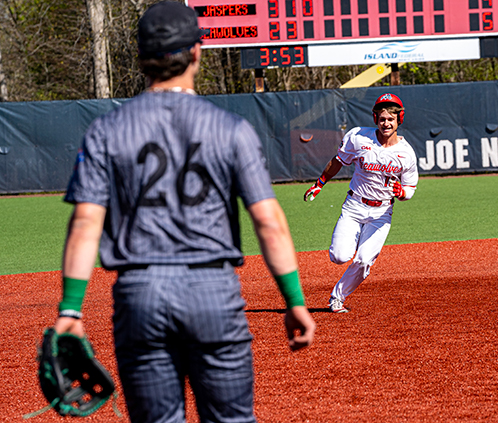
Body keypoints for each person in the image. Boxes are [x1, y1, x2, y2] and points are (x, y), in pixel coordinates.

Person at [52, 2, 315, 422]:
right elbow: (268, 221)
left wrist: (70, 308)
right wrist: (294, 300)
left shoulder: (106, 131)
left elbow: (86, 222)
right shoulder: (231, 129)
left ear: (141, 59)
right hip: (212, 292)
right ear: (197, 52)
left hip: (140, 295)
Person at [304, 93, 418, 313]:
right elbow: (338, 161)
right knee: (339, 256)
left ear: (399, 120)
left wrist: (401, 192)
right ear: (375, 118)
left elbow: (410, 190)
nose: (386, 123)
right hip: (354, 206)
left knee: (364, 260)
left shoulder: (406, 154)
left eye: (391, 119)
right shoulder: (358, 137)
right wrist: (319, 184)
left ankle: (337, 297)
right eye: (382, 118)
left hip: (382, 212)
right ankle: (353, 240)